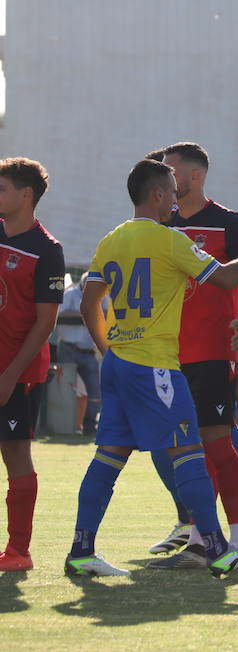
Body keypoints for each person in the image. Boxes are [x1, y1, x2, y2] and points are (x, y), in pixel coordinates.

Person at [67, 158, 238, 577]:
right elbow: (225, 277)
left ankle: (81, 550)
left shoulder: (111, 240)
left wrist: (107, 347)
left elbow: (90, 302)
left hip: (119, 364)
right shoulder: (169, 240)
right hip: (157, 367)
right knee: (189, 453)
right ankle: (219, 548)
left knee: (108, 457)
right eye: (172, 192)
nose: (177, 203)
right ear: (158, 194)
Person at [142, 142, 238, 567]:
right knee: (177, 447)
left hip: (210, 351)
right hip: (165, 354)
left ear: (195, 175)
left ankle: (236, 540)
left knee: (218, 443)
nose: (165, 178)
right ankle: (202, 534)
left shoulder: (227, 224)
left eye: (170, 170)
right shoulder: (156, 225)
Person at [0, 158, 64, 571]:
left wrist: (8, 376)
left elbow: (46, 323)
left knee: (16, 456)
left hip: (17, 375)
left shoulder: (47, 250)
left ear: (26, 195)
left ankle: (18, 552)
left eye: (2, 189)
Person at [55, 274, 102, 436]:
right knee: (65, 389)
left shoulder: (101, 295)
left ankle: (89, 427)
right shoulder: (69, 294)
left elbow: (107, 313)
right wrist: (86, 315)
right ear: (82, 284)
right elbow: (57, 315)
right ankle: (64, 426)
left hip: (88, 351)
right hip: (68, 348)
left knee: (95, 391)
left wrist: (88, 314)